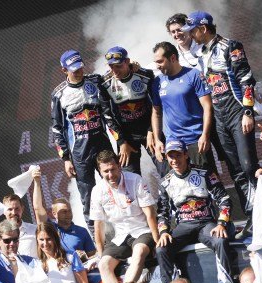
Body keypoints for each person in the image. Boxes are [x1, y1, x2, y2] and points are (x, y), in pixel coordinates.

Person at [183, 11, 260, 239]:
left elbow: (246, 79)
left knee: (248, 167)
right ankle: (251, 217)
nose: (192, 35)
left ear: (203, 28)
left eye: (193, 30)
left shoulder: (231, 46)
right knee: (235, 170)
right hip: (219, 119)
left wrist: (248, 112)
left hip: (237, 113)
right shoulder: (201, 54)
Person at [155, 140, 235, 283]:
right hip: (183, 226)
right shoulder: (165, 182)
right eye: (170, 156)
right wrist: (163, 232)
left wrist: (221, 223)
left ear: (186, 154)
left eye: (177, 155)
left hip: (206, 223)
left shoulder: (205, 173)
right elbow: (162, 213)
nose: (174, 160)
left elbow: (224, 200)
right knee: (162, 249)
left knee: (220, 239)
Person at [90, 150, 158, 283]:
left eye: (113, 169)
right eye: (105, 171)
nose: (110, 174)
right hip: (120, 236)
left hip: (142, 230)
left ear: (119, 166)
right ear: (100, 172)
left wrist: (156, 241)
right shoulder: (97, 190)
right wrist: (100, 254)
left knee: (139, 251)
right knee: (104, 264)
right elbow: (98, 227)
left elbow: (150, 214)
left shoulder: (135, 180)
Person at [51, 49, 114, 229]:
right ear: (64, 70)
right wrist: (65, 159)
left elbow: (116, 75)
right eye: (73, 69)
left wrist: (133, 66)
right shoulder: (58, 94)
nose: (78, 71)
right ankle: (96, 237)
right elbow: (57, 128)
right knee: (88, 196)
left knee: (115, 185)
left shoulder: (95, 81)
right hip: (79, 151)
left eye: (80, 67)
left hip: (102, 144)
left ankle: (123, 227)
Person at [150, 41, 215, 170]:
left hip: (196, 141)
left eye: (160, 61)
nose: (157, 66)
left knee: (208, 182)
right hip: (172, 143)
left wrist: (205, 135)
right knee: (182, 186)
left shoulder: (193, 75)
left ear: (173, 58)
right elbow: (156, 113)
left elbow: (207, 107)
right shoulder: (157, 82)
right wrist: (157, 140)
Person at [102, 46, 159, 175]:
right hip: (126, 136)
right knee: (129, 175)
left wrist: (152, 130)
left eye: (118, 66)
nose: (115, 70)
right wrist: (121, 142)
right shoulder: (104, 83)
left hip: (149, 129)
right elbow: (107, 116)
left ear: (127, 62)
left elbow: (157, 107)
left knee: (165, 163)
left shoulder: (145, 75)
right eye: (111, 67)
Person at [31, 167, 95, 258]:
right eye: (64, 212)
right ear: (54, 214)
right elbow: (37, 208)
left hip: (78, 271)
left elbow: (93, 255)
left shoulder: (82, 231)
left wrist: (85, 256)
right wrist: (37, 182)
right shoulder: (49, 228)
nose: (68, 214)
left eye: (69, 211)